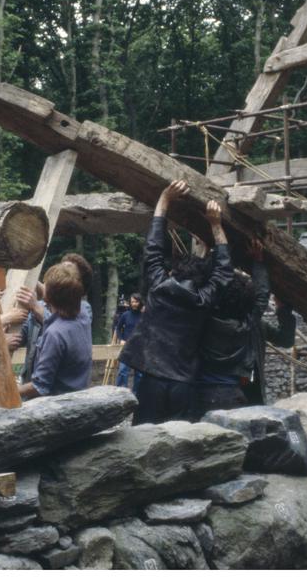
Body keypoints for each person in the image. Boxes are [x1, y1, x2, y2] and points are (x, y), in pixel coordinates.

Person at [119, 180, 233, 425]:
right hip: (184, 384)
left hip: (152, 381)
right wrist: (216, 226)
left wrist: (164, 200)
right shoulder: (203, 299)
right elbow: (223, 272)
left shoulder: (160, 288)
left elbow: (153, 248)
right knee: (180, 450)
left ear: (174, 273)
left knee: (141, 444)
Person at [193, 239, 295, 416]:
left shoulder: (206, 320)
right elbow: (262, 298)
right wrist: (283, 309)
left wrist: (212, 253)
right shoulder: (251, 323)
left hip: (211, 389)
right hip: (240, 390)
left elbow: (285, 339)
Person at [18, 262, 93, 400]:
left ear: (47, 297)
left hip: (57, 410)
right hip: (79, 402)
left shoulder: (55, 334)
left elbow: (40, 386)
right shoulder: (84, 315)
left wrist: (11, 390)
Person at [111, 293, 144, 389]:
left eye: (136, 301)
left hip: (139, 347)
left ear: (140, 302)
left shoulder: (144, 316)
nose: (134, 304)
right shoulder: (125, 315)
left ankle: (136, 395)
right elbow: (118, 328)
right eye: (132, 301)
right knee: (122, 371)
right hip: (126, 347)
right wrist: (121, 339)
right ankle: (121, 393)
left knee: (139, 374)